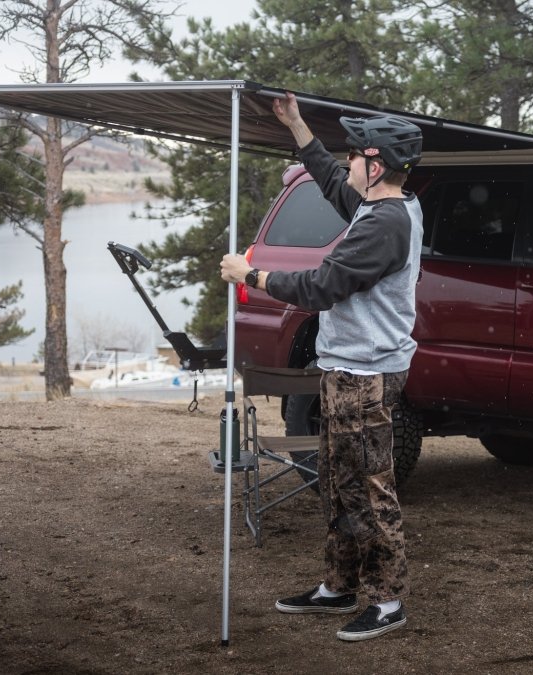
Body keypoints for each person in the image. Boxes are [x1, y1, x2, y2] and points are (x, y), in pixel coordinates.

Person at [219, 91, 423, 642]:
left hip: (365, 375)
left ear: (375, 166)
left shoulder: (385, 224)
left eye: (355, 154)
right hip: (347, 368)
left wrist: (250, 275)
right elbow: (333, 183)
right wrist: (297, 125)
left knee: (371, 490)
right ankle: (339, 586)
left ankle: (386, 601)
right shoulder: (384, 205)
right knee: (339, 484)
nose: (347, 161)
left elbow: (321, 286)